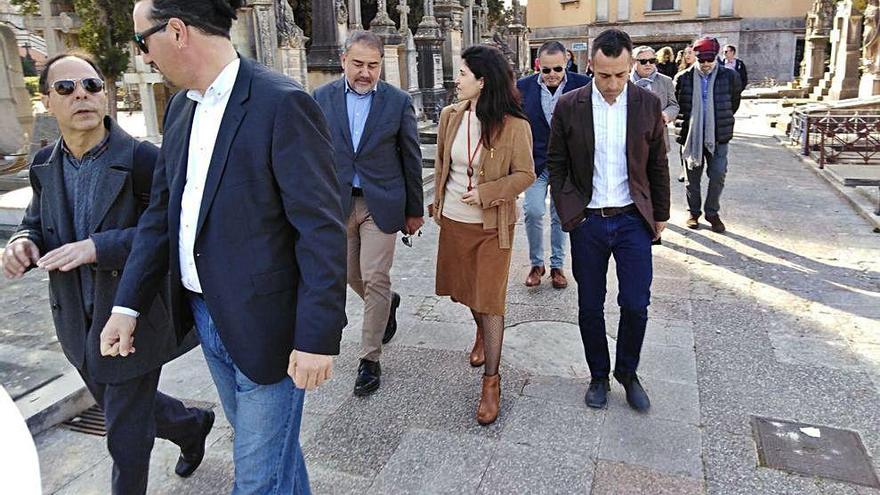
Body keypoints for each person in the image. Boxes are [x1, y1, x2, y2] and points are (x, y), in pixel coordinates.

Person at [101, 1, 348, 492]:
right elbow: (161, 218)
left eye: (141, 42)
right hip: (206, 318)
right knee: (276, 454)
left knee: (254, 478)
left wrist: (318, 337)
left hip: (269, 328)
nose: (143, 56)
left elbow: (320, 229)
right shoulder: (180, 108)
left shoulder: (281, 103)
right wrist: (127, 304)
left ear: (175, 31)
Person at [1, 52, 213, 495]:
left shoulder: (141, 159)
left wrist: (99, 246)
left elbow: (173, 230)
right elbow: (37, 222)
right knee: (127, 408)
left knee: (125, 440)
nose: (82, 95)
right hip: (76, 323)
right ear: (48, 101)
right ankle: (191, 426)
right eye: (66, 88)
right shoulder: (43, 163)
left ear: (106, 94)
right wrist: (23, 242)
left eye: (92, 86)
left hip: (131, 317)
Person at [547, 28, 670, 412]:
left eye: (620, 74)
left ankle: (627, 372)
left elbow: (658, 163)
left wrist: (661, 214)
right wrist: (571, 213)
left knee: (635, 302)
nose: (612, 84)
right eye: (604, 76)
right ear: (590, 66)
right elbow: (557, 163)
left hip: (633, 219)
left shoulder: (647, 105)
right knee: (589, 304)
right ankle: (598, 375)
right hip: (590, 223)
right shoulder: (570, 106)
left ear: (631, 66)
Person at [313, 31, 424, 396]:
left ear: (381, 65)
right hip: (337, 203)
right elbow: (311, 155)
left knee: (375, 275)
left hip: (382, 203)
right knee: (351, 275)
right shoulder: (321, 98)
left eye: (372, 65)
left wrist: (414, 210)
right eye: (358, 64)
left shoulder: (397, 101)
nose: (365, 72)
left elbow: (410, 156)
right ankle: (387, 304)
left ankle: (369, 359)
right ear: (344, 60)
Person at [430, 45, 535, 425]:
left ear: (482, 80)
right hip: (455, 222)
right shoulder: (449, 116)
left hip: (492, 227)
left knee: (490, 300)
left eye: (461, 73)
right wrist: (437, 203)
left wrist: (488, 193)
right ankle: (479, 332)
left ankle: (492, 381)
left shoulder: (514, 125)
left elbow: (526, 174)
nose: (455, 80)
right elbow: (443, 161)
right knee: (465, 292)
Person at [517, 40, 590, 289]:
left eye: (557, 69)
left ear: (566, 63)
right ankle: (537, 264)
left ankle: (557, 266)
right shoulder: (522, 87)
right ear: (538, 66)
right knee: (533, 211)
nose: (552, 75)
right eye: (546, 70)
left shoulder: (583, 85)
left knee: (561, 215)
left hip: (566, 166)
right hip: (535, 164)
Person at [674, 36, 743, 233]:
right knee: (691, 178)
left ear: (716, 57)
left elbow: (733, 104)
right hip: (691, 137)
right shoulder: (683, 78)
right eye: (701, 60)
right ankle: (693, 212)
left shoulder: (730, 77)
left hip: (718, 136)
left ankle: (712, 212)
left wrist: (716, 120)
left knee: (718, 175)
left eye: (709, 59)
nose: (705, 64)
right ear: (695, 57)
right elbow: (678, 106)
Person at [631, 45, 679, 144]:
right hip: (632, 137)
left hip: (658, 137)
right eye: (643, 61)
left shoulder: (665, 81)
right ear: (634, 62)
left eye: (652, 61)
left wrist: (666, 115)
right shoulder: (624, 82)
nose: (648, 64)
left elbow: (674, 106)